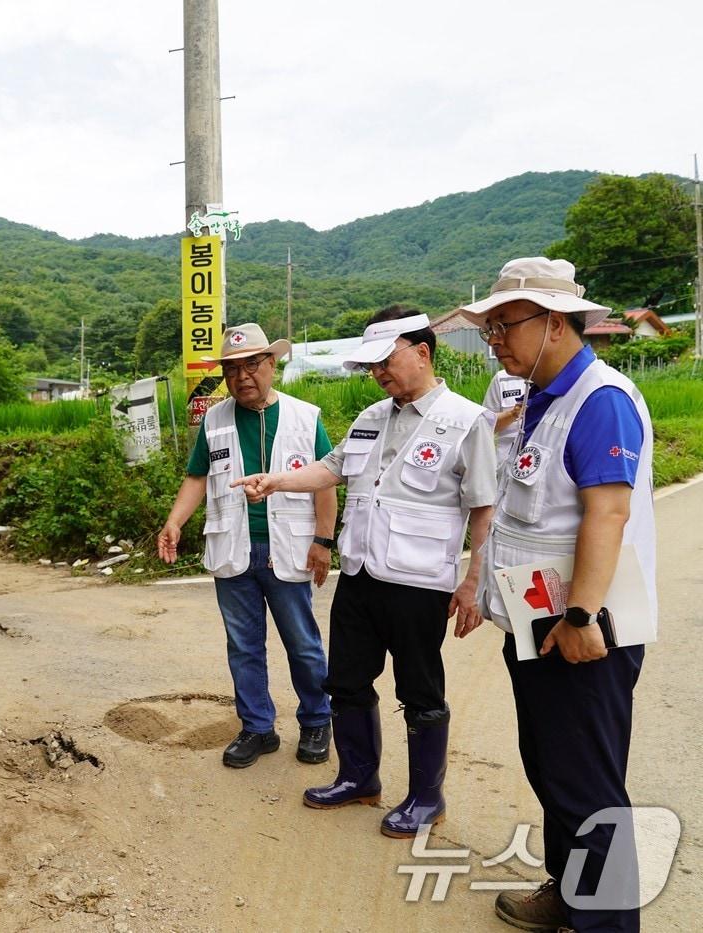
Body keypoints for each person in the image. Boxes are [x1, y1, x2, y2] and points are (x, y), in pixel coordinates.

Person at [232, 307, 497, 838]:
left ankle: (427, 797)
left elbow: (484, 508)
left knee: (420, 690)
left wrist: (474, 582)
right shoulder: (372, 416)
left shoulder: (467, 420)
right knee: (347, 681)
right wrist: (277, 481)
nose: (377, 373)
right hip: (360, 573)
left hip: (419, 581)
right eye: (371, 365)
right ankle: (358, 777)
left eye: (386, 362)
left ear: (422, 352)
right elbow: (332, 469)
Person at [460, 257, 654, 933]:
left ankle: (606, 923)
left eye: (504, 326)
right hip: (535, 620)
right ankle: (570, 897)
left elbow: (608, 514)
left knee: (588, 787)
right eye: (489, 329)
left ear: (553, 321)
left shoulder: (600, 400)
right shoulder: (538, 398)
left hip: (582, 628)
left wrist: (579, 616)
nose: (495, 341)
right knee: (553, 769)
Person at [157, 323, 338, 769]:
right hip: (232, 549)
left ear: (271, 364)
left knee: (303, 644)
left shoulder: (304, 416)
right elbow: (197, 477)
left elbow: (326, 482)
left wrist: (323, 541)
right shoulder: (215, 419)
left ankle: (317, 720)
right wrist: (174, 522)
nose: (242, 377)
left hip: (289, 549)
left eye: (252, 365)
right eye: (232, 369)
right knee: (243, 647)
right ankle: (257, 728)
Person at [484, 368, 527, 466]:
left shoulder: (553, 377)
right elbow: (485, 425)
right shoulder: (502, 378)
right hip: (505, 462)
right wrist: (512, 414)